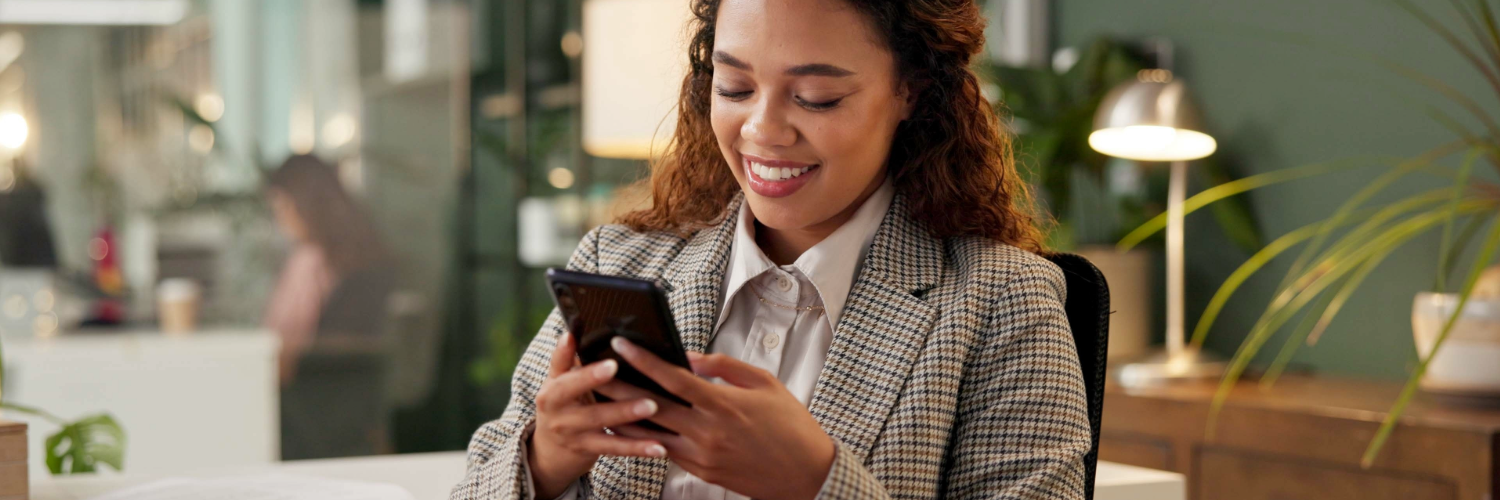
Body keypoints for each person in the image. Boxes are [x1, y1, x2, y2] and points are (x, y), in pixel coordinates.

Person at [452, 0, 1090, 498]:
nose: (762, 131)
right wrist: (543, 462)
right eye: (733, 88)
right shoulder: (616, 262)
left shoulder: (1002, 302)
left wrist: (817, 482)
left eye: (817, 98)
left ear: (911, 92)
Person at [265, 155, 395, 459]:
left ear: (304, 204)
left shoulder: (310, 262)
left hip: (303, 412)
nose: (279, 218)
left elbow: (279, 356)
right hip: (351, 414)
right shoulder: (367, 256)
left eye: (282, 207)